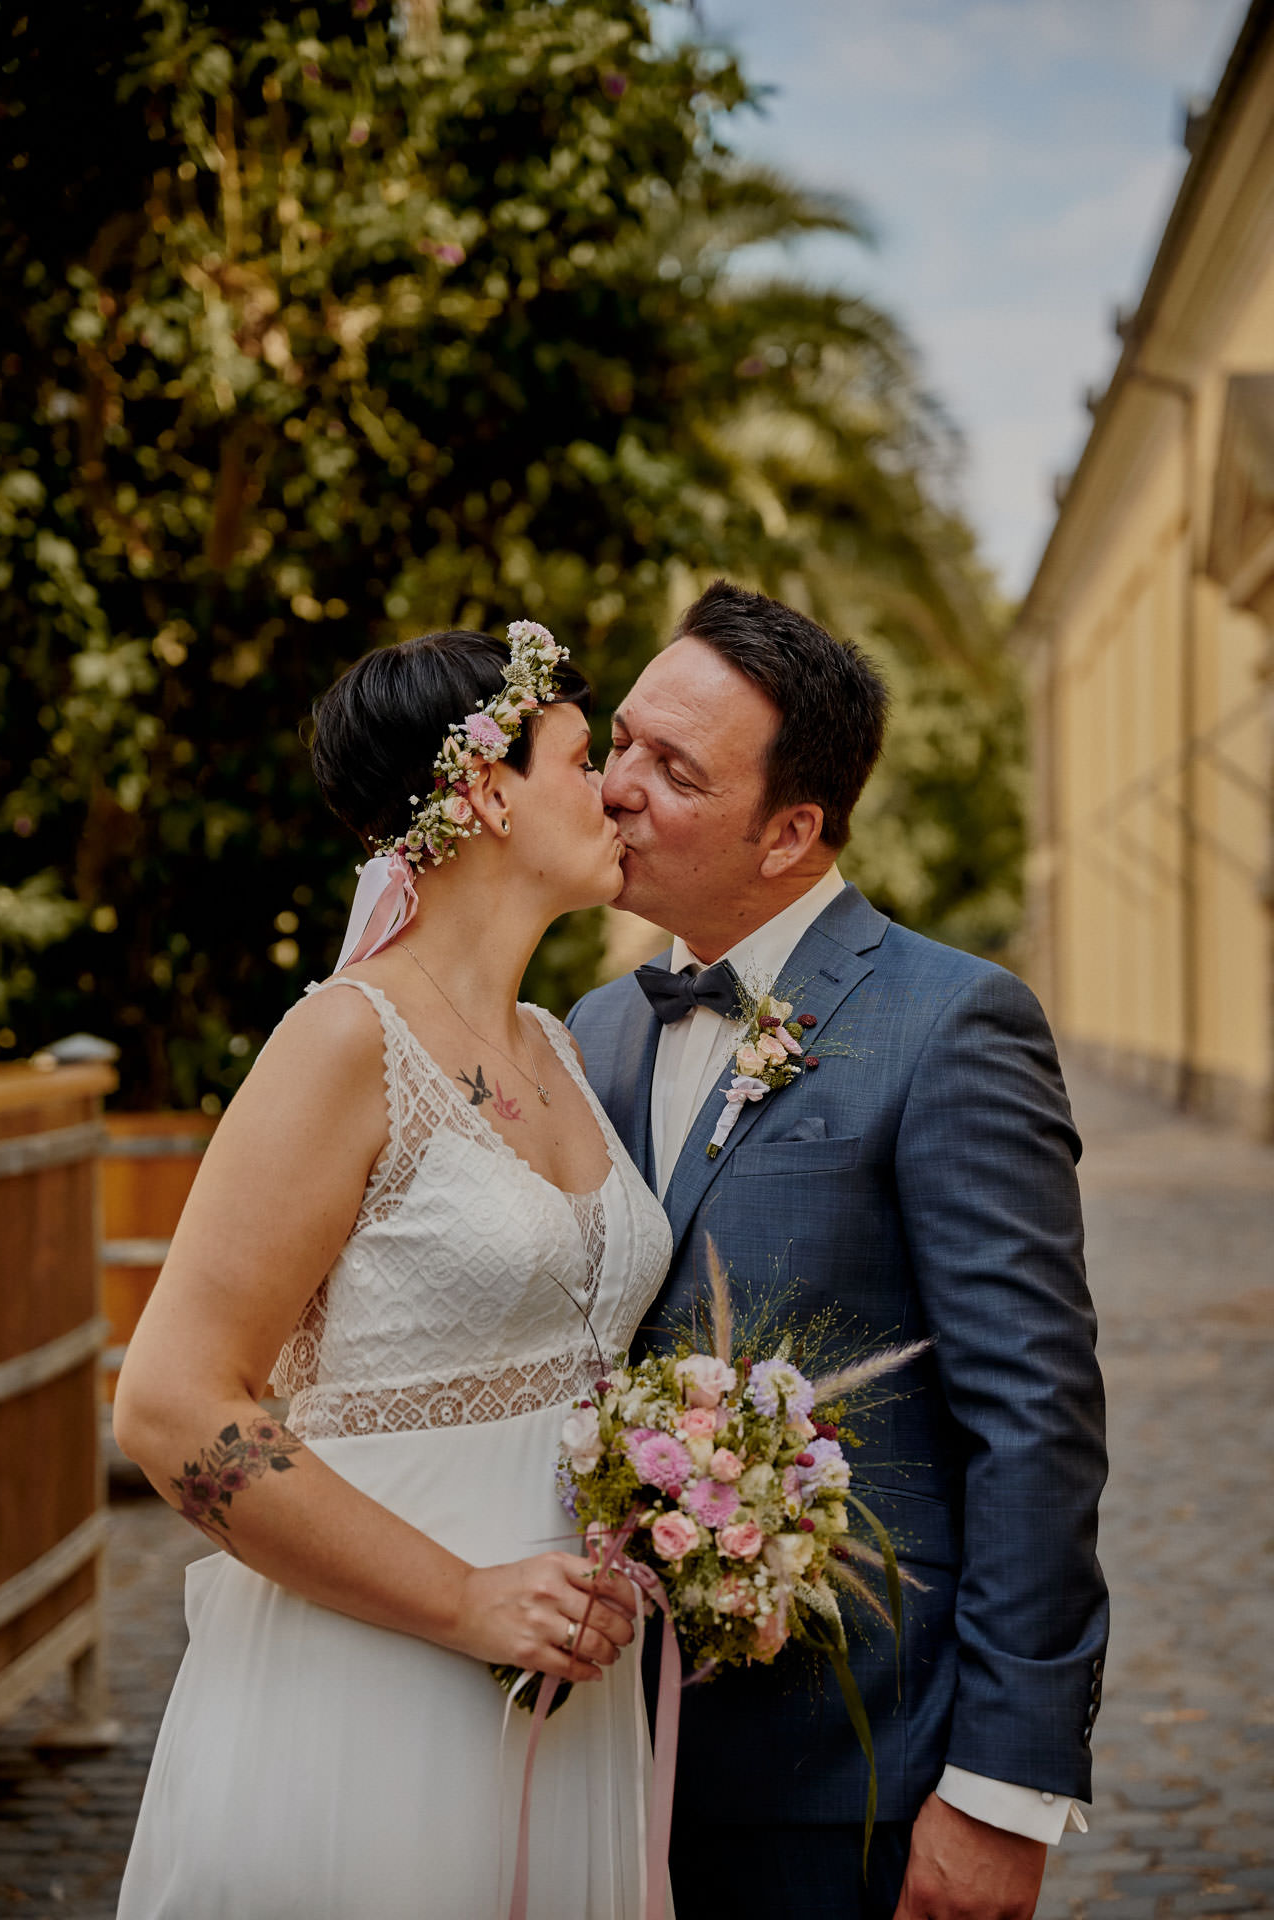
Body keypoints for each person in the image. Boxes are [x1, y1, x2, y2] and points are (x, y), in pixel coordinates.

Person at [114, 623, 674, 1919]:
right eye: (583, 759)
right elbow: (169, 1404)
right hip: (377, 1689)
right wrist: (467, 1599)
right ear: (487, 790)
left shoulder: (555, 1042)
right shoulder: (340, 1044)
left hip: (562, 1688)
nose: (616, 792)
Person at [568, 579, 1109, 1920]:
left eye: (674, 768)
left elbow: (1035, 1418)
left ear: (791, 829)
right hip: (590, 1767)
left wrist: (1002, 1790)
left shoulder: (953, 1024)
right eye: (621, 739)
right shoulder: (587, 1029)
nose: (618, 784)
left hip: (850, 1775)